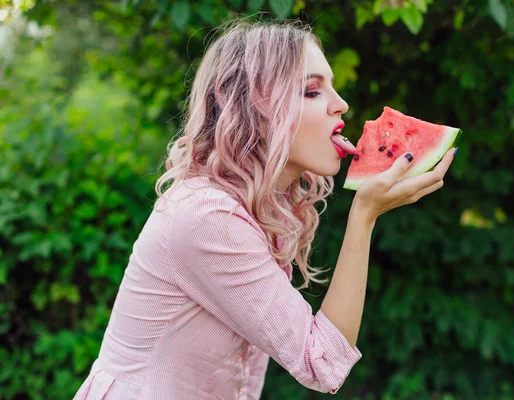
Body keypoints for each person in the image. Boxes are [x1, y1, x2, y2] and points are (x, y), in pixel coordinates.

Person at [73, 17, 455, 400]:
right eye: (311, 92)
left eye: (333, 89)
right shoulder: (208, 217)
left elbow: (243, 377)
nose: (342, 105)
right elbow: (321, 364)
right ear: (257, 109)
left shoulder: (258, 209)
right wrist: (364, 216)